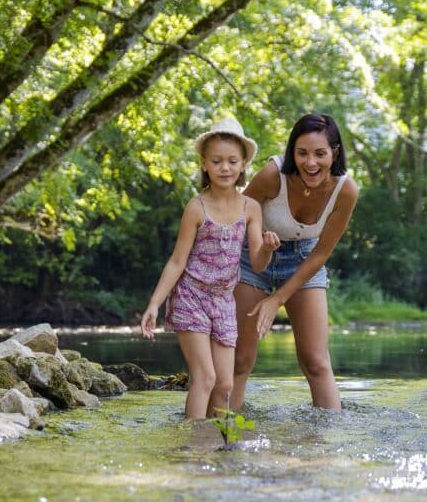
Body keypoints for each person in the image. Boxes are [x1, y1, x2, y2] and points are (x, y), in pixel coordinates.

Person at [141, 117, 281, 419]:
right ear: (205, 164)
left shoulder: (250, 209)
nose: (225, 168)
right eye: (217, 161)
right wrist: (155, 303)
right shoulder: (196, 207)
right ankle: (194, 449)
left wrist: (267, 249)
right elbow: (177, 261)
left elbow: (257, 262)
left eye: (232, 161)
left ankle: (221, 452)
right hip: (191, 296)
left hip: (223, 302)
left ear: (243, 164)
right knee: (205, 378)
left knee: (225, 385)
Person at [232, 113, 360, 410]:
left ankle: (327, 446)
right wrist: (259, 237)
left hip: (306, 260)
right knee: (240, 359)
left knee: (316, 362)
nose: (310, 163)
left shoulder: (346, 191)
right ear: (292, 152)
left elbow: (321, 253)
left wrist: (277, 298)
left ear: (335, 153)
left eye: (320, 154)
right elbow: (237, 216)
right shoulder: (271, 175)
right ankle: (224, 437)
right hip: (254, 259)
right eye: (302, 153)